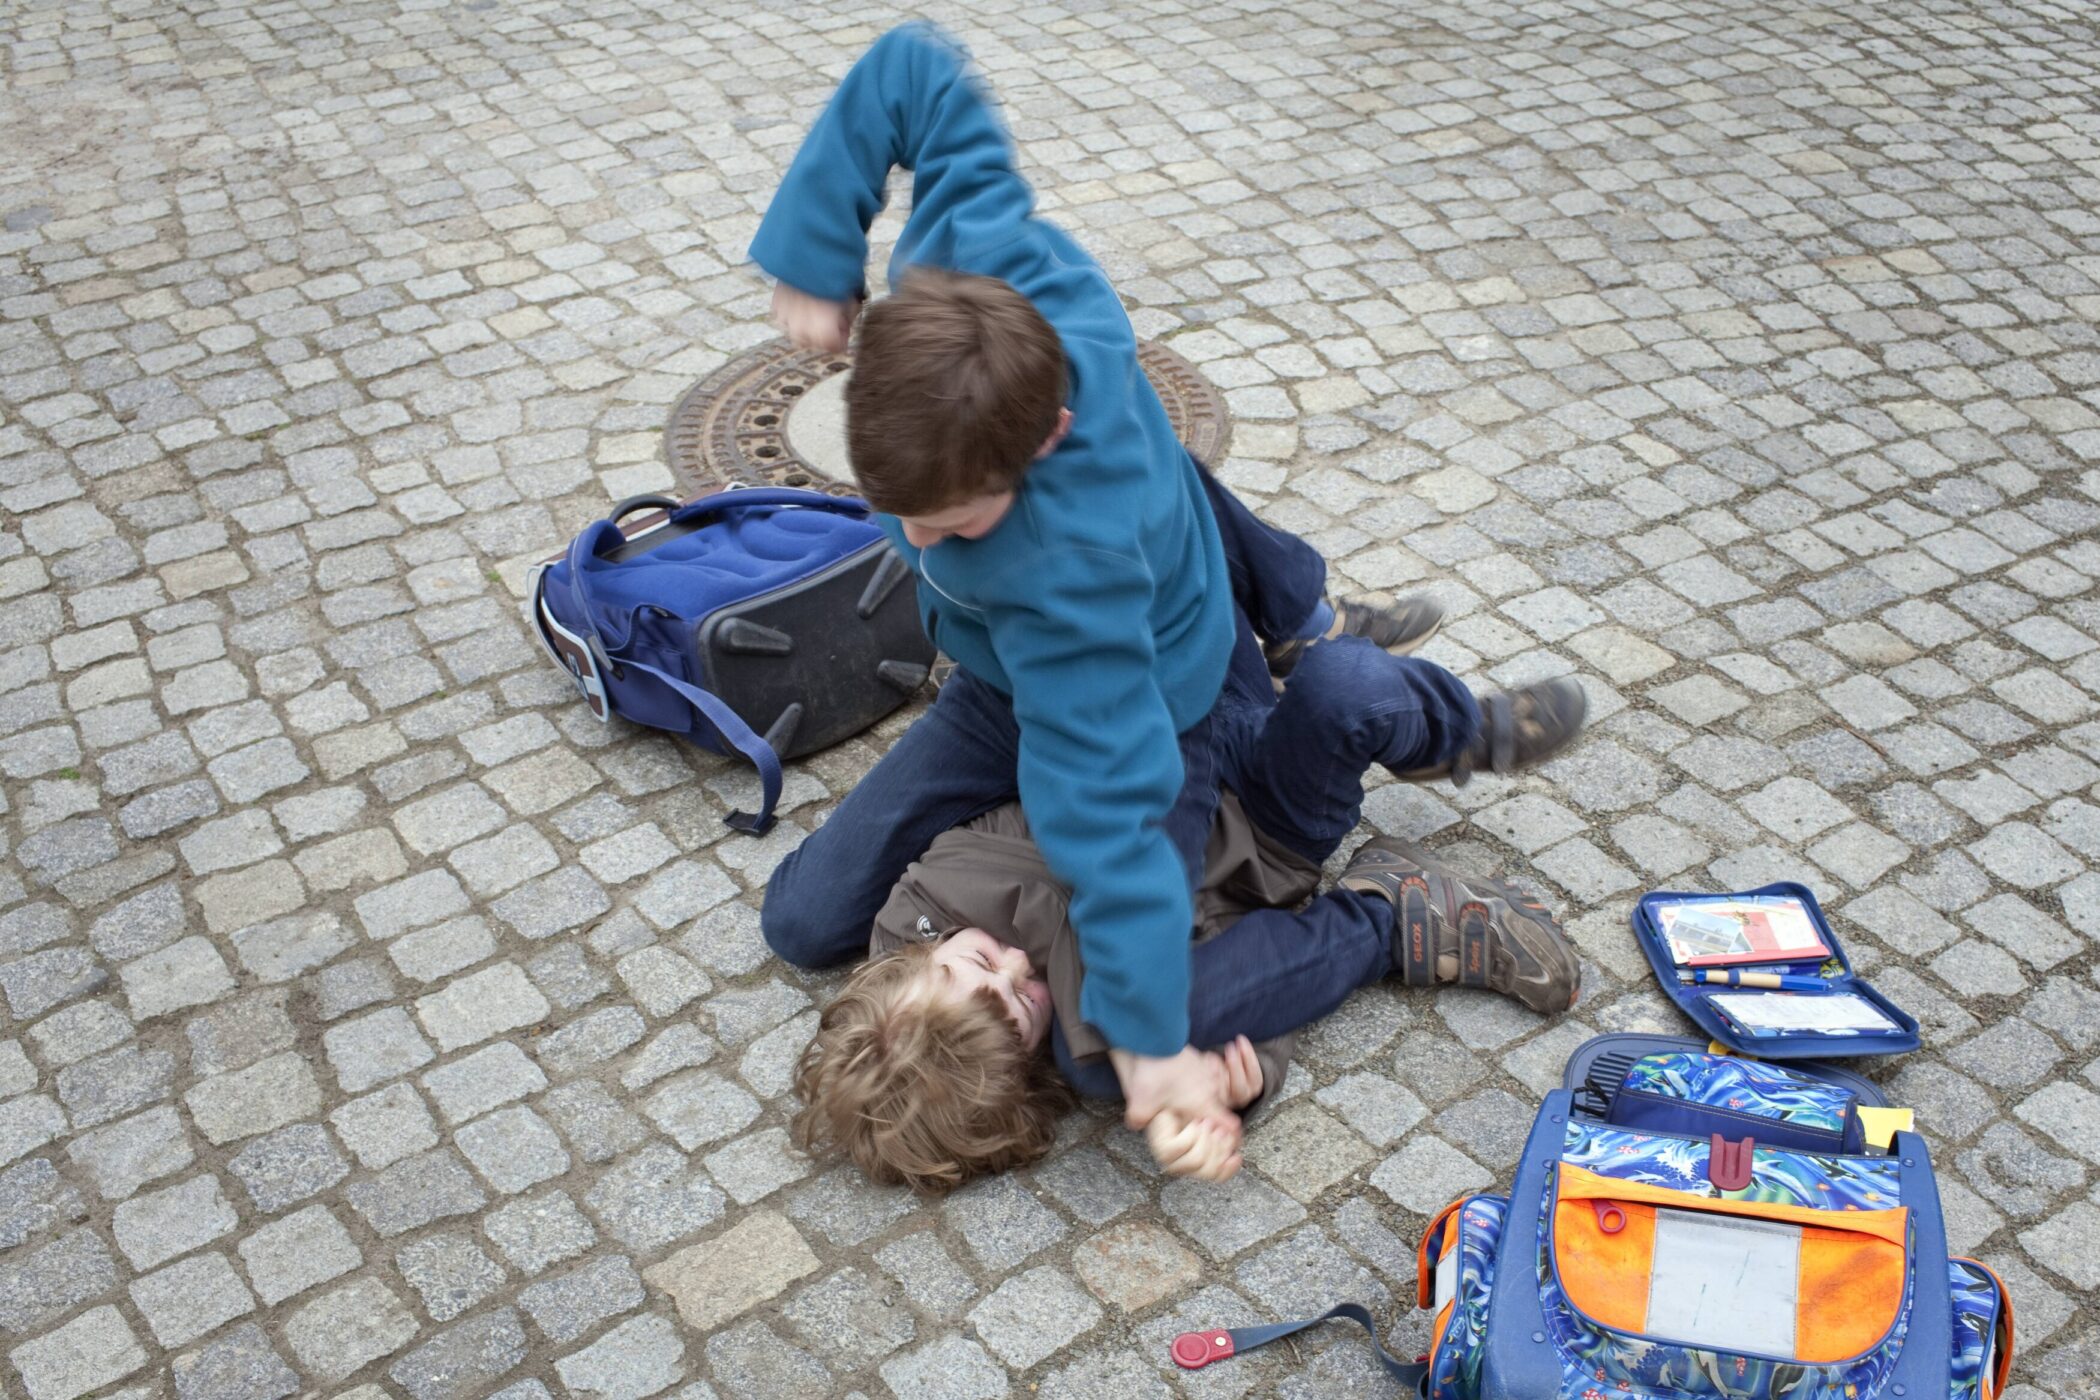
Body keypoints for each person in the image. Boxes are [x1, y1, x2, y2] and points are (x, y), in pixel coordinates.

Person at [749, 22, 1584, 1163]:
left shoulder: (1068, 586)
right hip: (1002, 692)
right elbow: (913, 71)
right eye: (900, 508)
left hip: (1165, 701)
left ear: (1044, 440)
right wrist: (815, 239)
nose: (920, 542)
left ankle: (1388, 903)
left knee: (1106, 1031)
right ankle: (1299, 611)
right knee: (801, 922)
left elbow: (1110, 824)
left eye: (953, 521)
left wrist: (1149, 1052)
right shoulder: (982, 280)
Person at [789, 614, 1585, 1191]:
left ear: (914, 958)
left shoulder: (916, 914)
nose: (1018, 964)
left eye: (979, 961)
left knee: (803, 925)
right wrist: (1239, 1084)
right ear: (1024, 1070)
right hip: (1266, 822)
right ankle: (1392, 911)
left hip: (1151, 714)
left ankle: (1373, 676)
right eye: (1019, 1003)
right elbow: (1260, 990)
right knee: (1348, 686)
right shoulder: (1088, 1048)